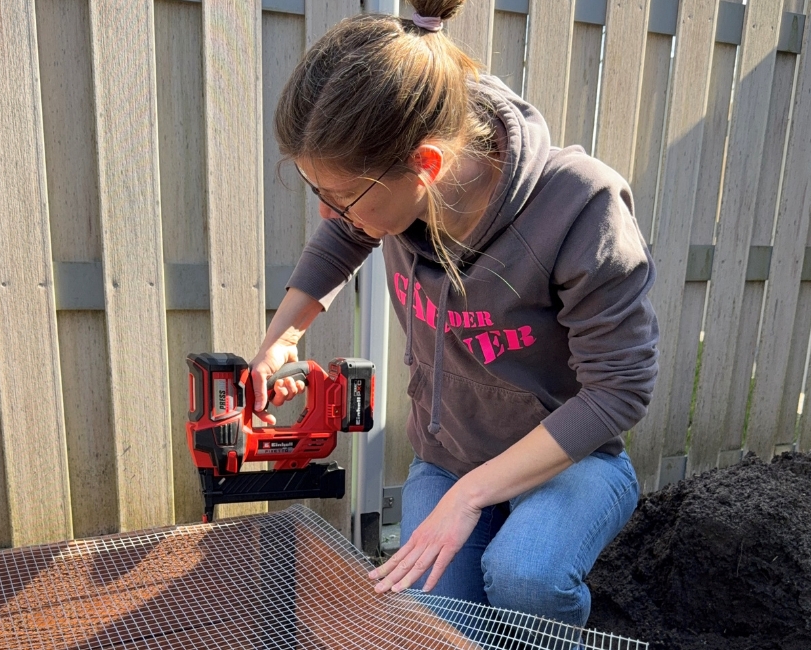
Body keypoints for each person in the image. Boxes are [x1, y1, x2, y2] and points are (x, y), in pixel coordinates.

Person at [249, 0, 659, 630]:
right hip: (448, 457)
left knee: (525, 576)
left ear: (427, 167)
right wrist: (282, 340)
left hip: (571, 462)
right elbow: (345, 237)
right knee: (436, 624)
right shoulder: (395, 188)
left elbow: (620, 390)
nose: (330, 215)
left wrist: (471, 497)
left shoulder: (581, 207)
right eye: (317, 194)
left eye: (342, 197)